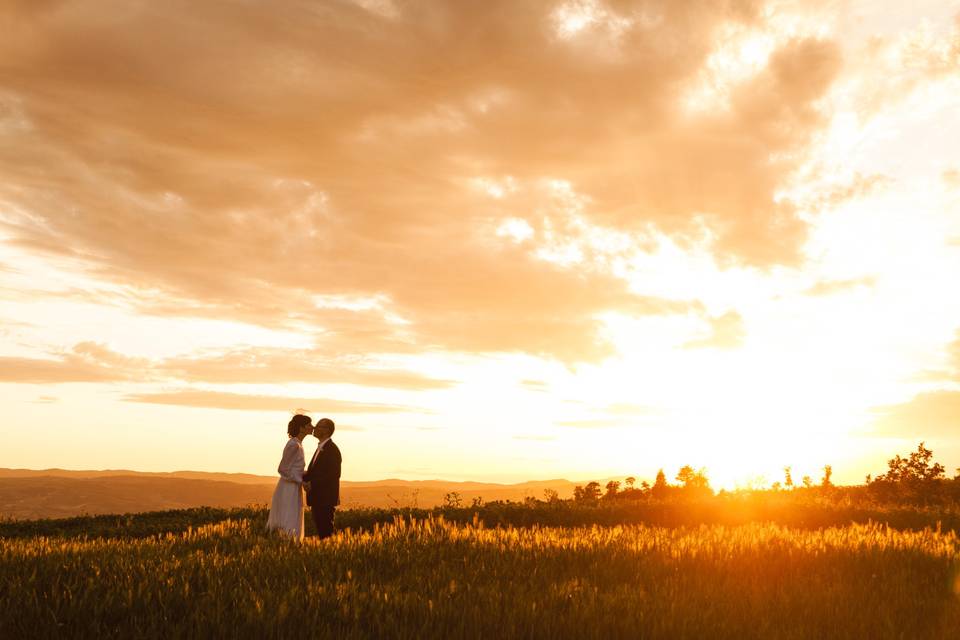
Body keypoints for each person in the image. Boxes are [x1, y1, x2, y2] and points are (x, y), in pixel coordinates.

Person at [265, 414, 313, 540]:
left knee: (293, 517)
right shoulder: (293, 445)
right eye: (309, 425)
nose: (312, 427)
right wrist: (301, 482)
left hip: (293, 487)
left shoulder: (298, 444)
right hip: (288, 488)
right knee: (289, 517)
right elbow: (283, 469)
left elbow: (295, 469)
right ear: (302, 428)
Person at [303, 417, 341, 539]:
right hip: (318, 498)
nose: (314, 428)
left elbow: (333, 474)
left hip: (325, 498)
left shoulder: (332, 449)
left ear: (326, 430)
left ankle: (330, 555)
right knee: (322, 530)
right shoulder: (321, 448)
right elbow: (314, 472)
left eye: (318, 426)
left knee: (326, 531)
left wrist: (312, 484)